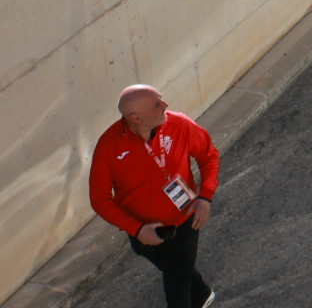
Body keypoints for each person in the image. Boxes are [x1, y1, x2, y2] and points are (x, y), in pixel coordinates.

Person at [87, 84, 219, 308]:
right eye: (157, 104)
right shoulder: (108, 146)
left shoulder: (180, 124)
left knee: (176, 287)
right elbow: (99, 198)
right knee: (176, 269)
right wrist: (137, 229)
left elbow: (209, 156)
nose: (165, 105)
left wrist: (205, 197)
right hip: (141, 229)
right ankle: (202, 293)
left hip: (184, 220)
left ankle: (195, 295)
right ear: (135, 118)